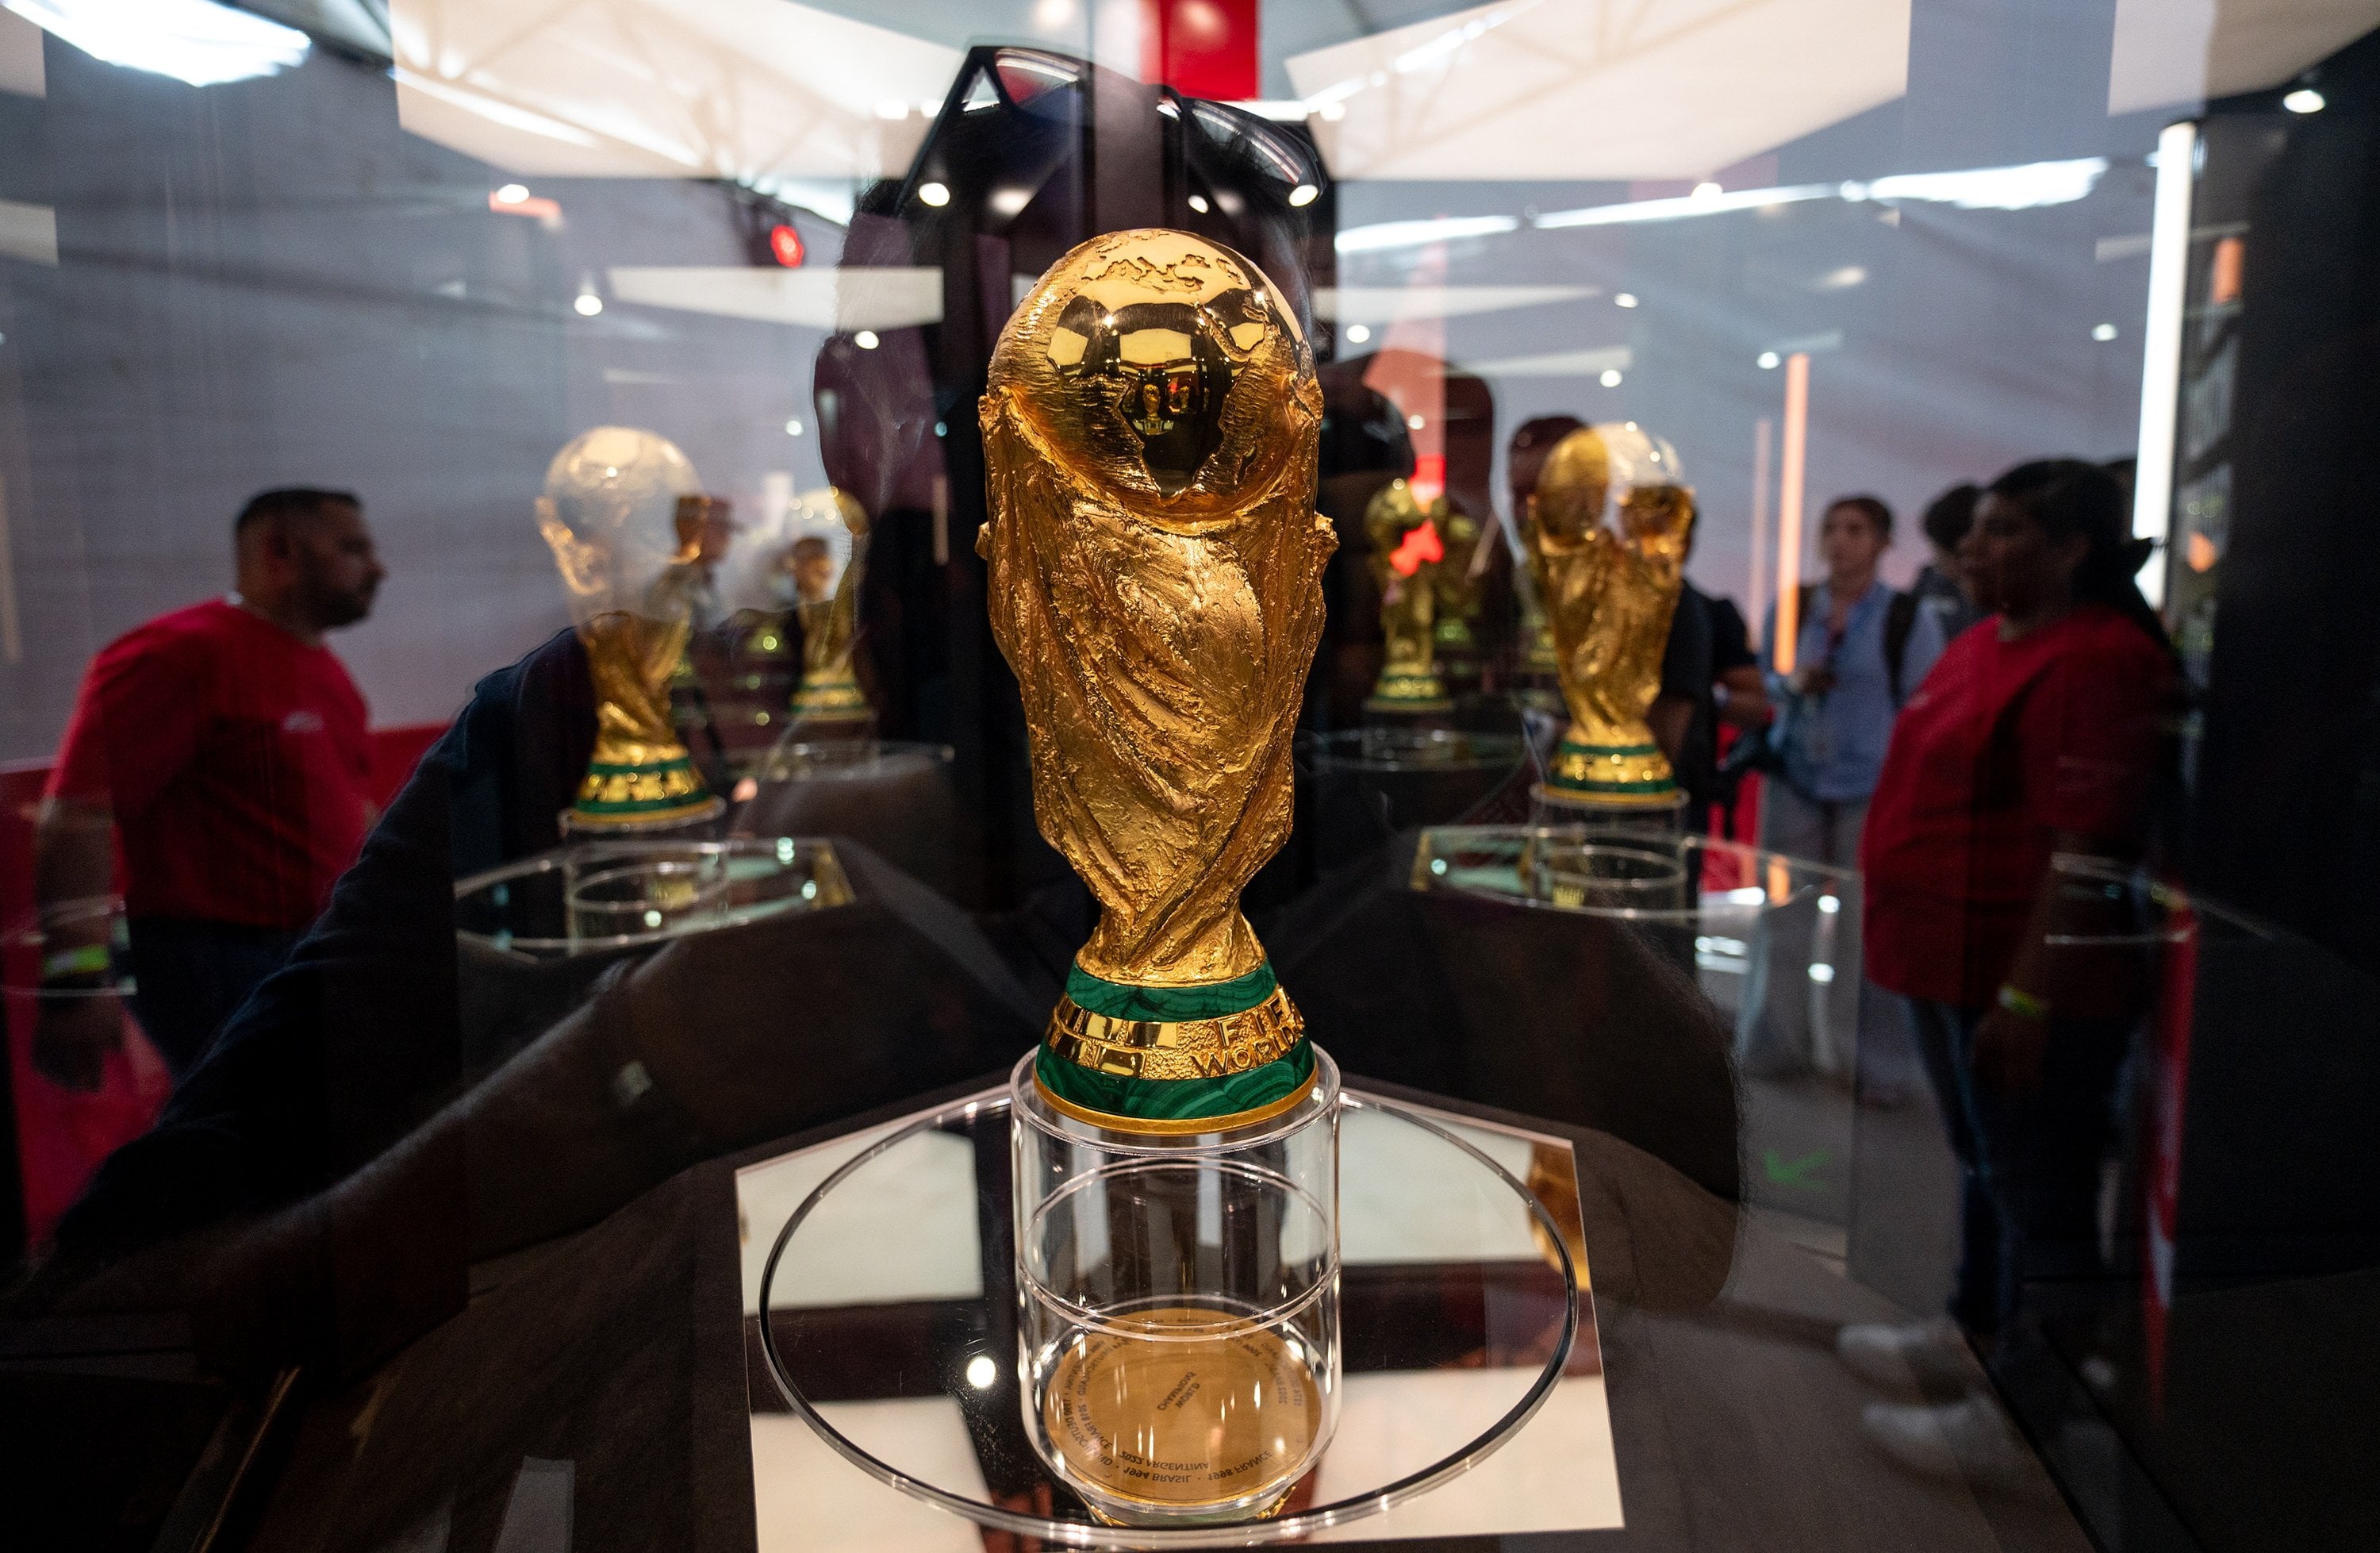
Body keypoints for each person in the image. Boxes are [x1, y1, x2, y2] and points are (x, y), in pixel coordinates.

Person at [1841, 459, 2173, 1479]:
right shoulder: (1986, 639)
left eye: (2001, 532)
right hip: (1942, 960)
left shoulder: (2099, 660)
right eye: (1975, 532)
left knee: (2042, 1188)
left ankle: (2034, 1412)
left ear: (2072, 547)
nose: (1973, 551)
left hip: (2018, 983)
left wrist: (2028, 996)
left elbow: (2086, 848)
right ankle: (1975, 1329)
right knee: (1991, 1166)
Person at [32, 488, 386, 1089]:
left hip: (308, 953)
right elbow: (79, 816)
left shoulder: (327, 672)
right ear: (280, 552)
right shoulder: (183, 653)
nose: (376, 568)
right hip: (218, 962)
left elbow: (355, 811)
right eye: (351, 548)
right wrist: (76, 982)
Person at [1739, 495, 1944, 1078]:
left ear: (1882, 542)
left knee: (1864, 925)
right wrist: (1790, 683)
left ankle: (1868, 1064)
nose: (1839, 540)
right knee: (1783, 915)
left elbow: (1924, 707)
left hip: (1870, 786)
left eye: (1855, 529)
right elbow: (1763, 682)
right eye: (1830, 528)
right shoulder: (1796, 604)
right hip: (1798, 775)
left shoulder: (1908, 618)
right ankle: (1775, 1047)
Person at [1913, 482, 1984, 643]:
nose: (1938, 562)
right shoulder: (1929, 580)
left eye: (1944, 555)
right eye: (1935, 551)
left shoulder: (2001, 599)